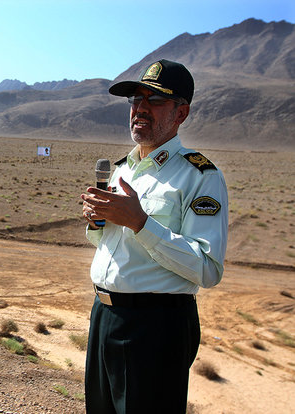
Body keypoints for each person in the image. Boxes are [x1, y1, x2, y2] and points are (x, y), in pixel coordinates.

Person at [80, 59, 228, 413]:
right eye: (135, 100)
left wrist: (141, 223)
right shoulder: (122, 169)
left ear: (181, 113)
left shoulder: (200, 176)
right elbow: (114, 244)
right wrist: (98, 223)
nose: (140, 108)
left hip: (155, 326)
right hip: (104, 315)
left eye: (155, 100)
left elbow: (207, 268)